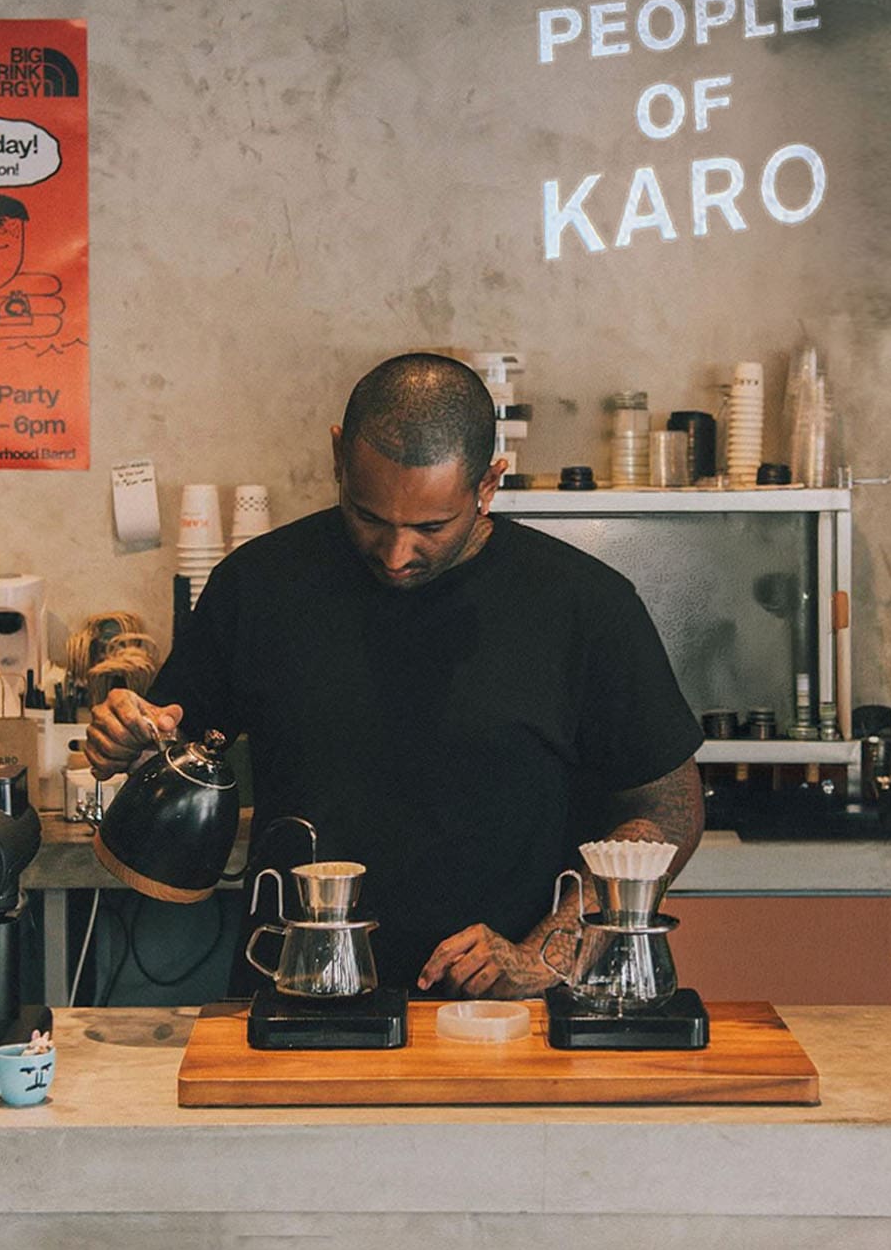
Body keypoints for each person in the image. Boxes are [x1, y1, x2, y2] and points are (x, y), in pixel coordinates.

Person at [86, 353, 704, 998]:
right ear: (337, 455)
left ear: (489, 483)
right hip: (298, 989)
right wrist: (125, 736)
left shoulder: (583, 606)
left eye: (431, 526)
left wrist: (548, 952)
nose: (396, 553)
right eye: (368, 516)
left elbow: (668, 807)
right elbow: (173, 744)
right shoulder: (261, 586)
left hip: (501, 1012)